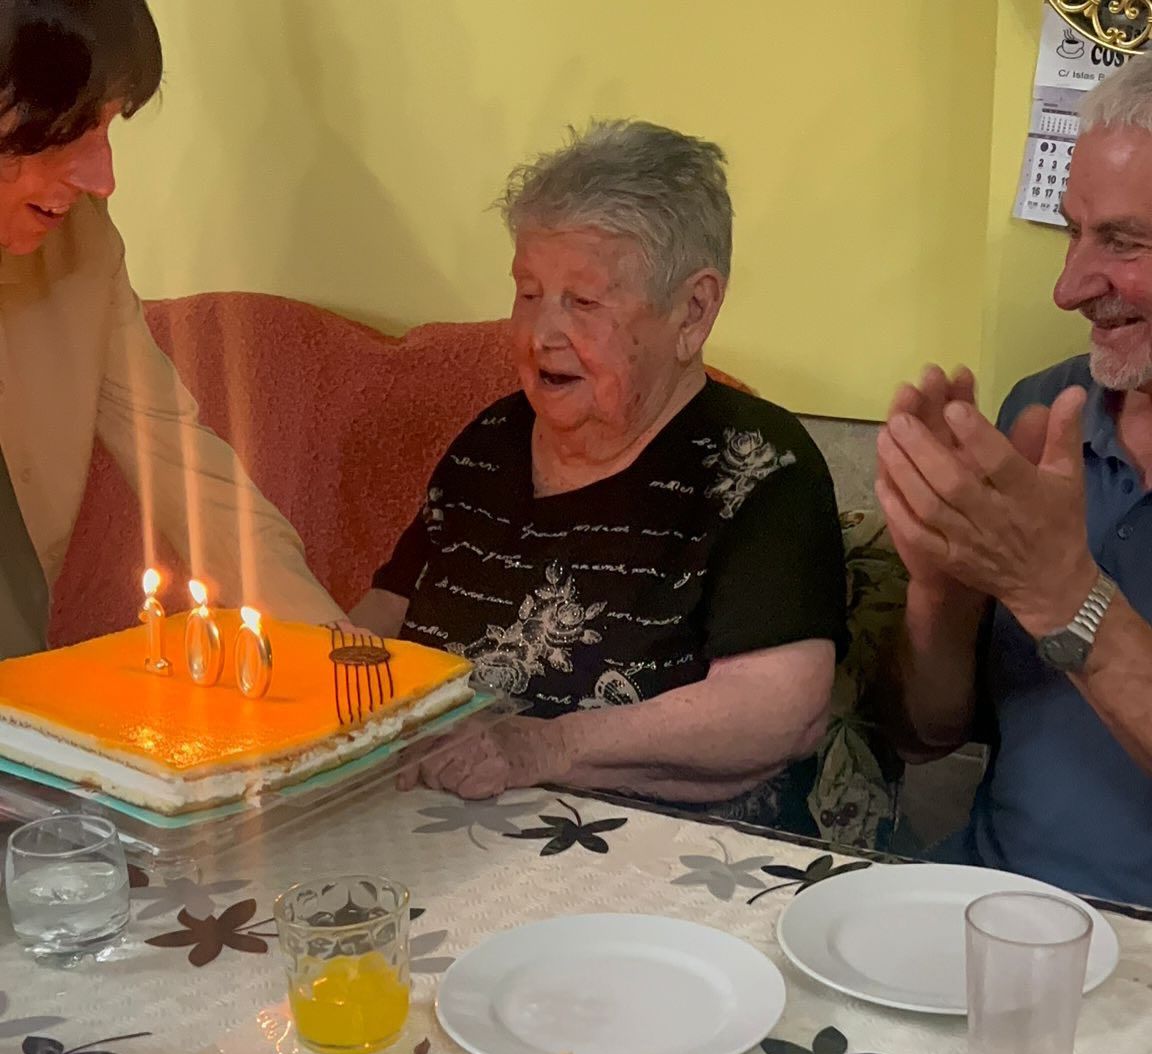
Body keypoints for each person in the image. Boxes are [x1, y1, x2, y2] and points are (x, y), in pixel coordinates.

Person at [353, 120, 846, 818]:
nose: (538, 335)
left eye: (581, 303)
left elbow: (777, 710)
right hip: (437, 829)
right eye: (528, 293)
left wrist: (542, 749)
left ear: (692, 311)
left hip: (652, 862)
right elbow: (380, 620)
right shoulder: (491, 440)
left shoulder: (760, 470)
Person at [877, 56, 1152, 905]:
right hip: (985, 906)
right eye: (1074, 230)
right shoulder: (1045, 410)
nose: (1068, 288)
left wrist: (1060, 591)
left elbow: (1057, 596)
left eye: (1124, 242)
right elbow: (927, 735)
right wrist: (941, 590)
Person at [0, 0, 342, 662]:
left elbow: (186, 469)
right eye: (68, 129)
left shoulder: (82, 250)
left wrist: (339, 656)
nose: (104, 178)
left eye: (106, 129)